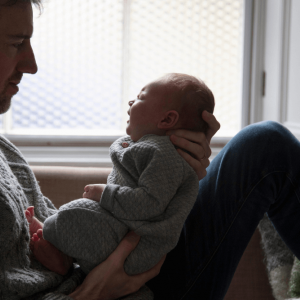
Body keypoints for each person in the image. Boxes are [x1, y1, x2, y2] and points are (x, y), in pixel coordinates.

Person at [0, 1, 219, 299]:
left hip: (118, 262)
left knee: (262, 143)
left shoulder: (6, 150)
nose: (32, 64)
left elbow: (68, 234)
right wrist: (92, 293)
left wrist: (181, 165)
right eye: (17, 43)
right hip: (117, 280)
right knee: (267, 151)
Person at [24, 73, 215, 285]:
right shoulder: (150, 149)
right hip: (124, 232)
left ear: (167, 119)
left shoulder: (163, 155)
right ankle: (64, 255)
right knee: (81, 214)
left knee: (74, 212)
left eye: (141, 97)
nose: (131, 101)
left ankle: (53, 236)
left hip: (137, 247)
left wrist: (104, 193)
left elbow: (150, 203)